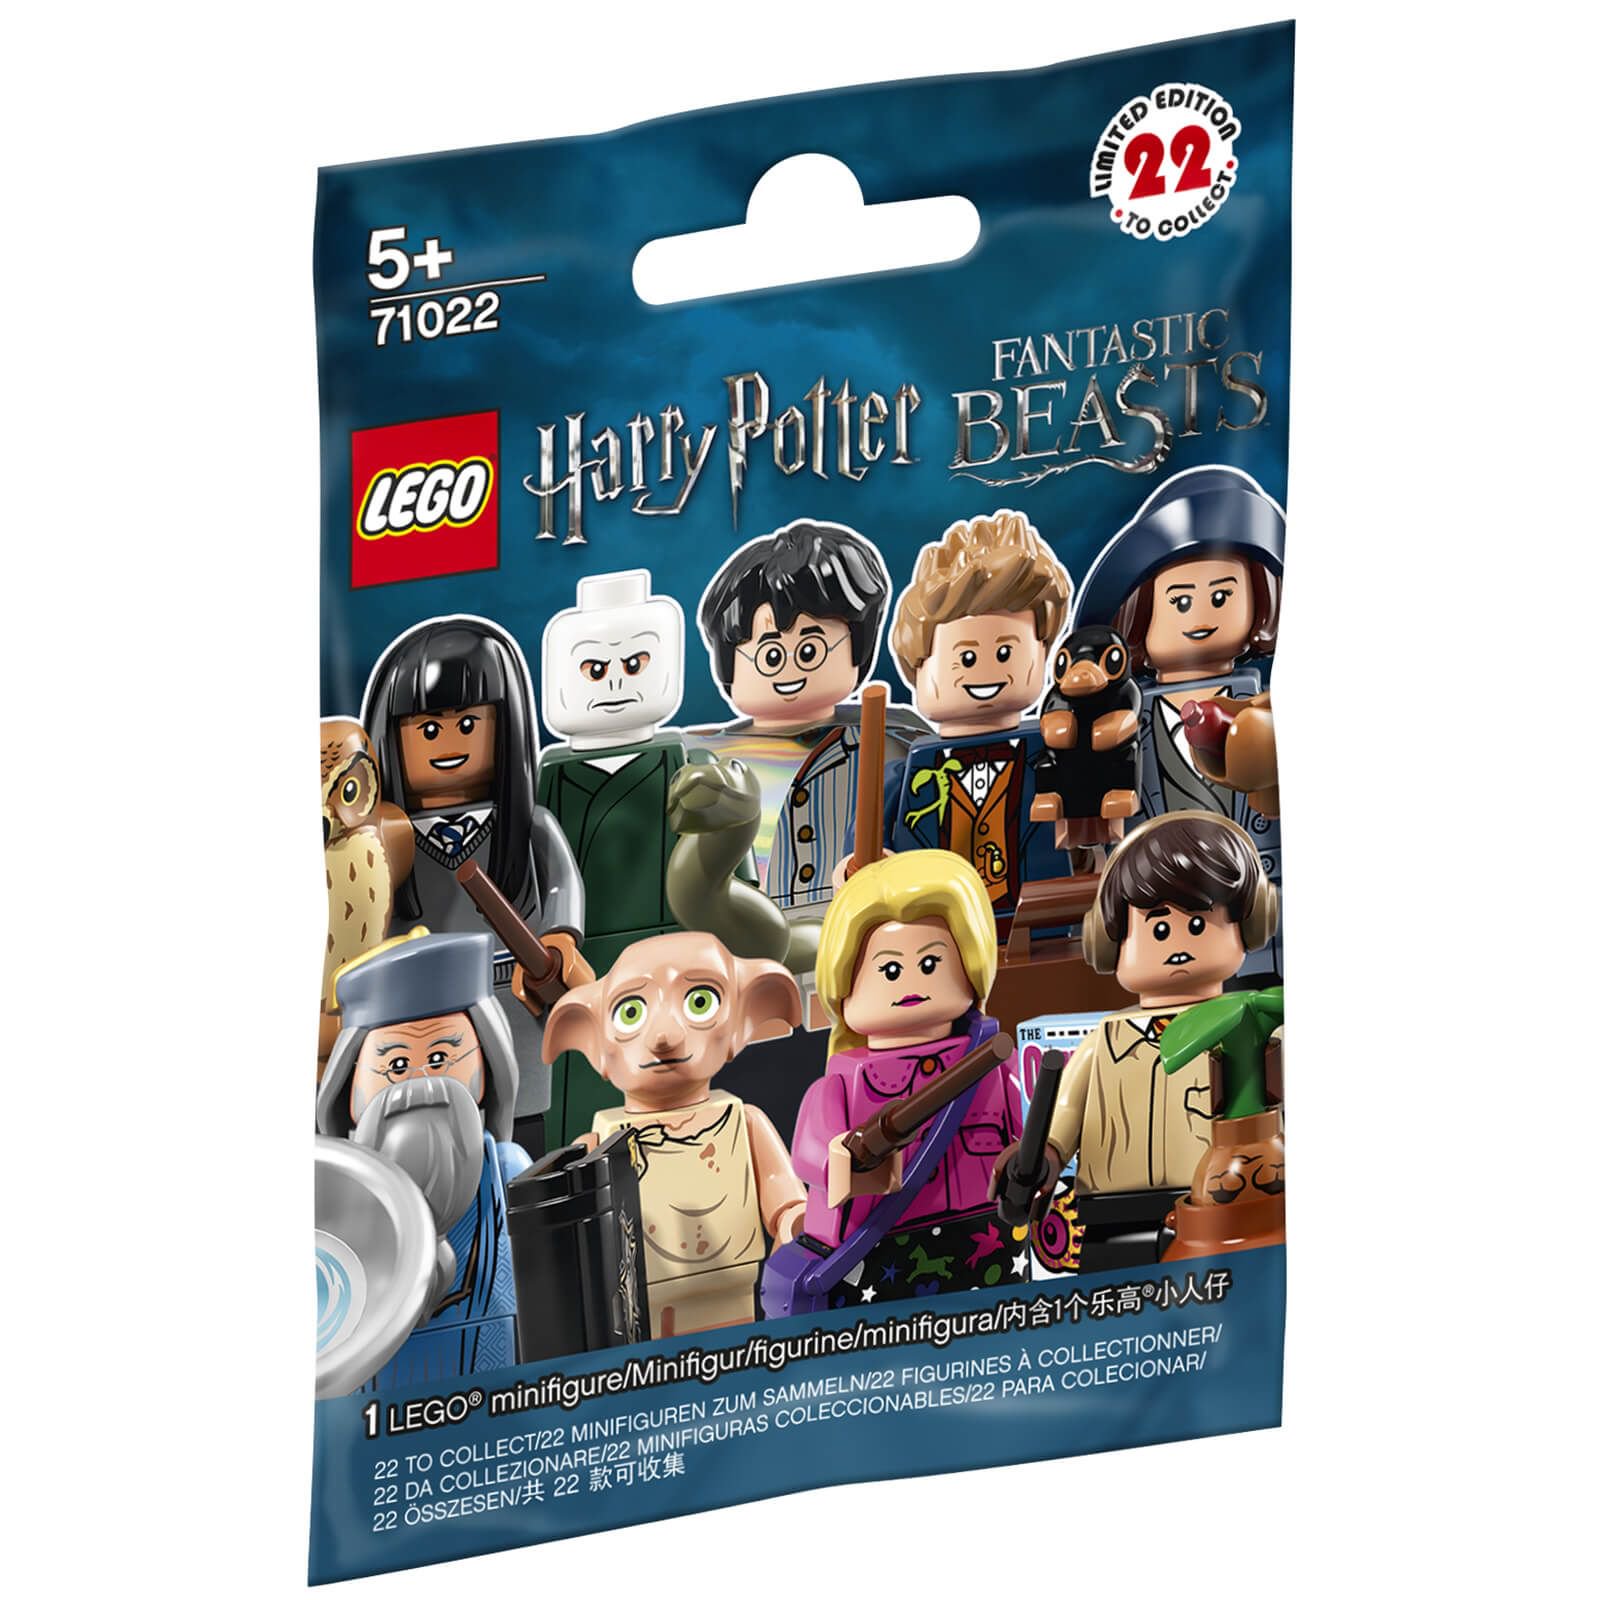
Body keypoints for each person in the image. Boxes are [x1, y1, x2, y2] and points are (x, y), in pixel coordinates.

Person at [360, 614, 591, 1152]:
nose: (448, 742)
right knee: (434, 1126)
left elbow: (562, 886)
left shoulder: (526, 829)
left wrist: (559, 939)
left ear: (503, 726)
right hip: (424, 1014)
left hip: (513, 994)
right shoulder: (385, 847)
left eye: (469, 724)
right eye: (427, 729)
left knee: (522, 1129)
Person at [790, 849, 1023, 1306]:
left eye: (931, 963)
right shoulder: (842, 1082)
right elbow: (811, 1150)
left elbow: (1026, 1128)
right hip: (877, 1242)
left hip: (986, 1230)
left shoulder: (992, 1061)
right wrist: (846, 1156)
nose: (911, 983)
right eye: (890, 969)